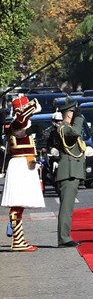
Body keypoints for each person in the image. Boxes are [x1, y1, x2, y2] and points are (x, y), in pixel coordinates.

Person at [1, 97, 45, 251]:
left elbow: (24, 118)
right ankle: (17, 241)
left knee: (19, 205)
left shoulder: (19, 123)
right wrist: (32, 105)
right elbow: (22, 119)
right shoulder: (17, 123)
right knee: (17, 203)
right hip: (19, 165)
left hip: (24, 164)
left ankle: (19, 239)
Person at [53, 99, 85, 247]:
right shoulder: (63, 128)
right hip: (68, 171)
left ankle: (65, 236)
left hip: (73, 170)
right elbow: (75, 132)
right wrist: (78, 118)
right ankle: (64, 238)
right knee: (66, 207)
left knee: (69, 207)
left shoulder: (67, 127)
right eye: (75, 112)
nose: (78, 115)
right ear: (68, 114)